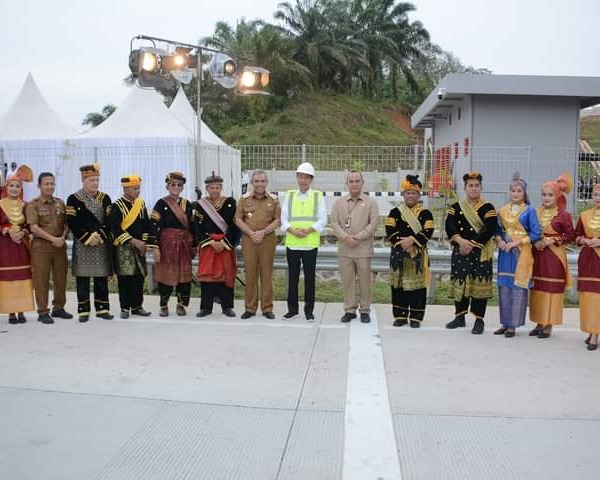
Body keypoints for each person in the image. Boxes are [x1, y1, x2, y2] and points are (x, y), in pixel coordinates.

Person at [445, 172, 497, 334]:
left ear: (481, 187)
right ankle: (459, 317)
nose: (473, 189)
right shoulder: (455, 207)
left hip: (480, 251)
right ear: (465, 188)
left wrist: (472, 244)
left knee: (479, 285)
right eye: (470, 186)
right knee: (461, 282)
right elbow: (450, 226)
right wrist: (461, 242)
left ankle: (479, 319)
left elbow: (489, 229)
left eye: (476, 186)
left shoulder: (488, 208)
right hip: (460, 250)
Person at [494, 174, 541, 338]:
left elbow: (536, 233)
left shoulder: (529, 210)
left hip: (521, 253)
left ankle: (513, 325)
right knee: (504, 287)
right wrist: (499, 241)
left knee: (517, 287)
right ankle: (505, 323)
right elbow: (497, 230)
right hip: (505, 253)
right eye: (513, 190)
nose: (515, 193)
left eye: (519, 191)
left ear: (524, 193)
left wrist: (517, 243)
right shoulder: (502, 210)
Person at [529, 173, 575, 339]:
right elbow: (529, 231)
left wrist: (553, 240)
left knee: (551, 289)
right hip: (538, 255)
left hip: (555, 257)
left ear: (557, 196)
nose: (547, 198)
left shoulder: (564, 215)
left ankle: (549, 324)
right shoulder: (534, 212)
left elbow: (571, 236)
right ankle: (539, 322)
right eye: (544, 194)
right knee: (538, 288)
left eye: (550, 195)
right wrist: (535, 242)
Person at [66, 164, 114, 322]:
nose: (95, 183)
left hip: (100, 243)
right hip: (83, 243)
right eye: (92, 180)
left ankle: (102, 309)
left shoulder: (105, 198)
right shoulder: (74, 199)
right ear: (83, 180)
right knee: (83, 278)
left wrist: (98, 236)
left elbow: (109, 221)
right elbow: (72, 222)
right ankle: (83, 310)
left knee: (101, 278)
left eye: (97, 180)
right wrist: (87, 238)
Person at [386, 174, 435, 328]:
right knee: (399, 286)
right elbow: (390, 230)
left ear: (419, 195)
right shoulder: (395, 212)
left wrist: (412, 241)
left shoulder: (426, 214)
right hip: (399, 253)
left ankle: (416, 316)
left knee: (417, 287)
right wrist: (403, 244)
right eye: (408, 193)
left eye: (414, 193)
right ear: (403, 194)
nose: (411, 196)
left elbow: (428, 231)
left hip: (417, 254)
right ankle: (400, 316)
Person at [331, 170, 380, 323]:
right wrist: (346, 237)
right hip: (345, 249)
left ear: (362, 183)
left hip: (363, 248)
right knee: (348, 281)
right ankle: (350, 309)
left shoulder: (371, 202)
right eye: (351, 181)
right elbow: (334, 223)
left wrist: (357, 237)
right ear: (347, 184)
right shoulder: (339, 203)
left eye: (357, 181)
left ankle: (365, 310)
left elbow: (373, 224)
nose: (354, 184)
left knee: (365, 281)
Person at [280, 162, 327, 322]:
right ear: (297, 178)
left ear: (311, 179)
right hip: (292, 243)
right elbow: (283, 219)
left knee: (309, 278)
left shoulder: (317, 196)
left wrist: (307, 231)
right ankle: (292, 310)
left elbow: (322, 220)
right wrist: (293, 231)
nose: (303, 180)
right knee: (292, 278)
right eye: (301, 176)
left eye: (307, 177)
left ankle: (309, 311)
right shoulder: (290, 195)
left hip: (310, 243)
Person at [109, 175, 160, 319]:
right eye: (134, 188)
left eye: (139, 188)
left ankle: (137, 306)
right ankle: (124, 308)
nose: (138, 191)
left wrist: (143, 242)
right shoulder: (117, 206)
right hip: (124, 247)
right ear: (125, 189)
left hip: (140, 246)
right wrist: (134, 241)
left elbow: (146, 224)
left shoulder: (141, 204)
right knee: (125, 279)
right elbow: (115, 229)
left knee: (139, 277)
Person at [26, 172, 72, 324]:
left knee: (60, 278)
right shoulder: (33, 204)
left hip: (59, 246)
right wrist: (53, 239)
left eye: (52, 183)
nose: (50, 186)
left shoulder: (60, 203)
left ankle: (58, 308)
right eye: (46, 183)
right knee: (41, 280)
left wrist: (62, 238)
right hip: (41, 247)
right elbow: (33, 227)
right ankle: (43, 311)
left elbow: (66, 224)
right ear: (39, 185)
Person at [235, 170, 281, 319]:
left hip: (267, 239)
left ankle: (267, 308)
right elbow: (238, 219)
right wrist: (250, 233)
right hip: (249, 240)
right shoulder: (244, 199)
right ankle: (250, 308)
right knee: (251, 274)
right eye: (257, 181)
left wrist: (264, 232)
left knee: (266, 274)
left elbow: (278, 220)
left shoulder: (273, 200)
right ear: (252, 183)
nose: (260, 184)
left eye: (262, 181)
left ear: (266, 183)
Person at [193, 172, 238, 318]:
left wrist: (224, 242)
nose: (214, 190)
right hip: (208, 245)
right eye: (211, 187)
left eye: (217, 187)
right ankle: (206, 307)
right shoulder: (201, 205)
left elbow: (234, 225)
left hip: (225, 244)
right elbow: (197, 227)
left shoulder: (230, 202)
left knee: (226, 274)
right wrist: (210, 242)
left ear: (221, 188)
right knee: (207, 276)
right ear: (207, 189)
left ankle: (227, 307)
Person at [151, 172, 196, 317]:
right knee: (166, 275)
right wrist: (155, 247)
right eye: (173, 185)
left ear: (182, 187)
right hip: (166, 245)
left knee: (184, 277)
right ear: (167, 186)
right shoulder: (161, 203)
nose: (176, 187)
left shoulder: (187, 204)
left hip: (184, 245)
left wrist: (194, 245)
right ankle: (163, 305)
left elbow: (192, 226)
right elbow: (154, 225)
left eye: (179, 185)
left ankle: (181, 304)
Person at [0, 165, 35, 324]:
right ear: (7, 187)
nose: (14, 189)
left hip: (22, 246)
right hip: (6, 247)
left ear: (21, 188)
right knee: (8, 278)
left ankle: (21, 311)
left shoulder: (25, 205)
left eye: (17, 186)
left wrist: (23, 233)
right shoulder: (0, 204)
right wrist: (7, 231)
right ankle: (11, 313)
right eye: (12, 186)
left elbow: (29, 225)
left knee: (23, 277)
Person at [575, 183, 600, 351]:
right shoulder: (584, 215)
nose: (597, 197)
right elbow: (576, 236)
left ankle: (595, 333)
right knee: (588, 297)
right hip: (587, 259)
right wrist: (583, 240)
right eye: (595, 194)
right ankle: (591, 329)